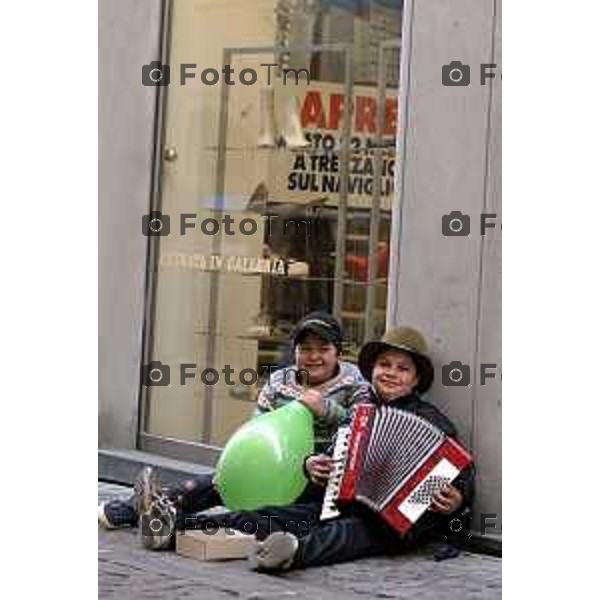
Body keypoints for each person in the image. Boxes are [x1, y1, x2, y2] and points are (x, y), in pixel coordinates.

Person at [180, 326, 475, 571]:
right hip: (337, 503)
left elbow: (459, 472)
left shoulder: (434, 422)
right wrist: (312, 466)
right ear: (372, 369)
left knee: (343, 535)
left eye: (403, 369)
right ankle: (179, 527)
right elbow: (330, 457)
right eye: (385, 365)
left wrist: (456, 499)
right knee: (268, 515)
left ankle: (288, 554)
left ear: (416, 379)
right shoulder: (359, 412)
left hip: (392, 523)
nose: (391, 373)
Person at [98, 312, 369, 541]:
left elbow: (359, 432)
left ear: (339, 353)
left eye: (323, 350)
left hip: (316, 478)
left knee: (244, 516)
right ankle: (131, 510)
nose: (314, 357)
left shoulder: (356, 385)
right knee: (211, 484)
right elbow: (259, 429)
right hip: (277, 465)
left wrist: (326, 409)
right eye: (306, 349)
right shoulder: (279, 381)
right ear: (295, 351)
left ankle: (168, 523)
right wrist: (237, 466)